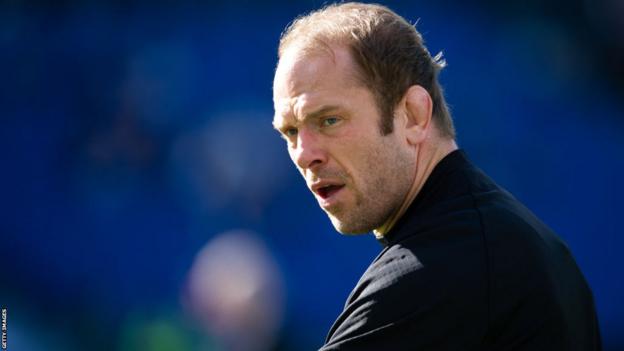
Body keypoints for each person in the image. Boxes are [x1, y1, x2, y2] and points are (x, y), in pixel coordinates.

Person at [272, 2, 601, 350]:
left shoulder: (433, 273)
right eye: (290, 132)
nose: (305, 154)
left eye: (329, 120)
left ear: (413, 115)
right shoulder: (523, 242)